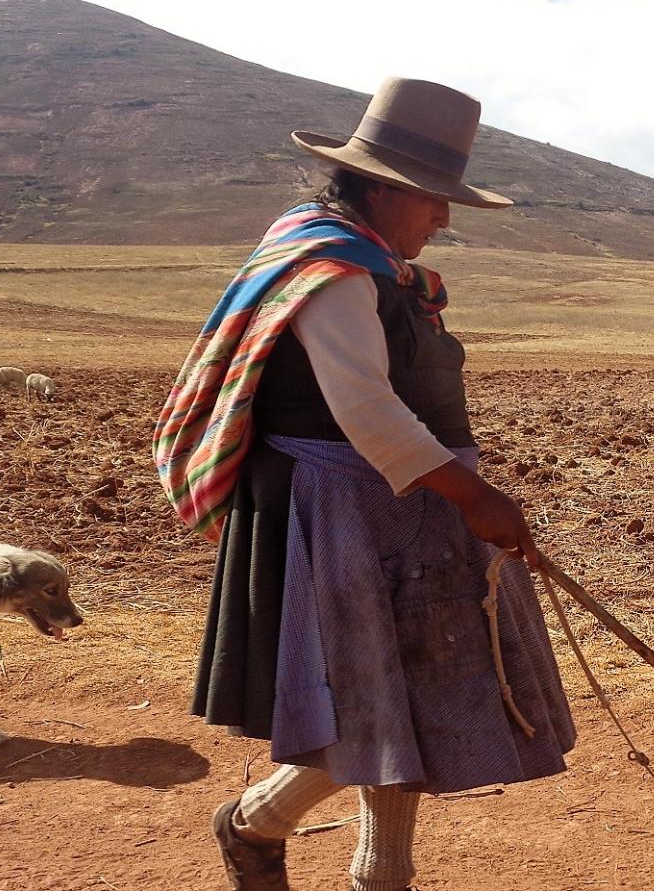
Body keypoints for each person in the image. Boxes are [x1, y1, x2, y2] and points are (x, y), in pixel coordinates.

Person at [153, 77, 576, 891]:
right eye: (435, 199)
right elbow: (367, 411)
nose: (445, 218)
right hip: (340, 512)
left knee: (414, 688)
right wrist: (477, 498)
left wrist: (458, 493)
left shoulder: (380, 267)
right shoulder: (331, 268)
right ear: (384, 187)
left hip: (412, 503)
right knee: (372, 698)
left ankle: (312, 848)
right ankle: (272, 832)